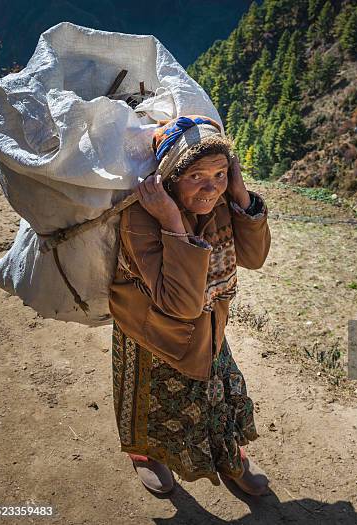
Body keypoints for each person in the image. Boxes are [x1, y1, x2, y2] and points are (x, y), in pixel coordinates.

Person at [108, 115, 271, 496]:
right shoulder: (140, 215)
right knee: (152, 405)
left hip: (209, 322)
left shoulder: (222, 203)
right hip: (149, 329)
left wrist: (241, 193)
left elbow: (255, 256)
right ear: (170, 176)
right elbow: (179, 304)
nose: (210, 188)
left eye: (219, 175)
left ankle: (231, 455)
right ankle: (147, 455)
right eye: (197, 176)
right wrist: (171, 221)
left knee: (219, 396)